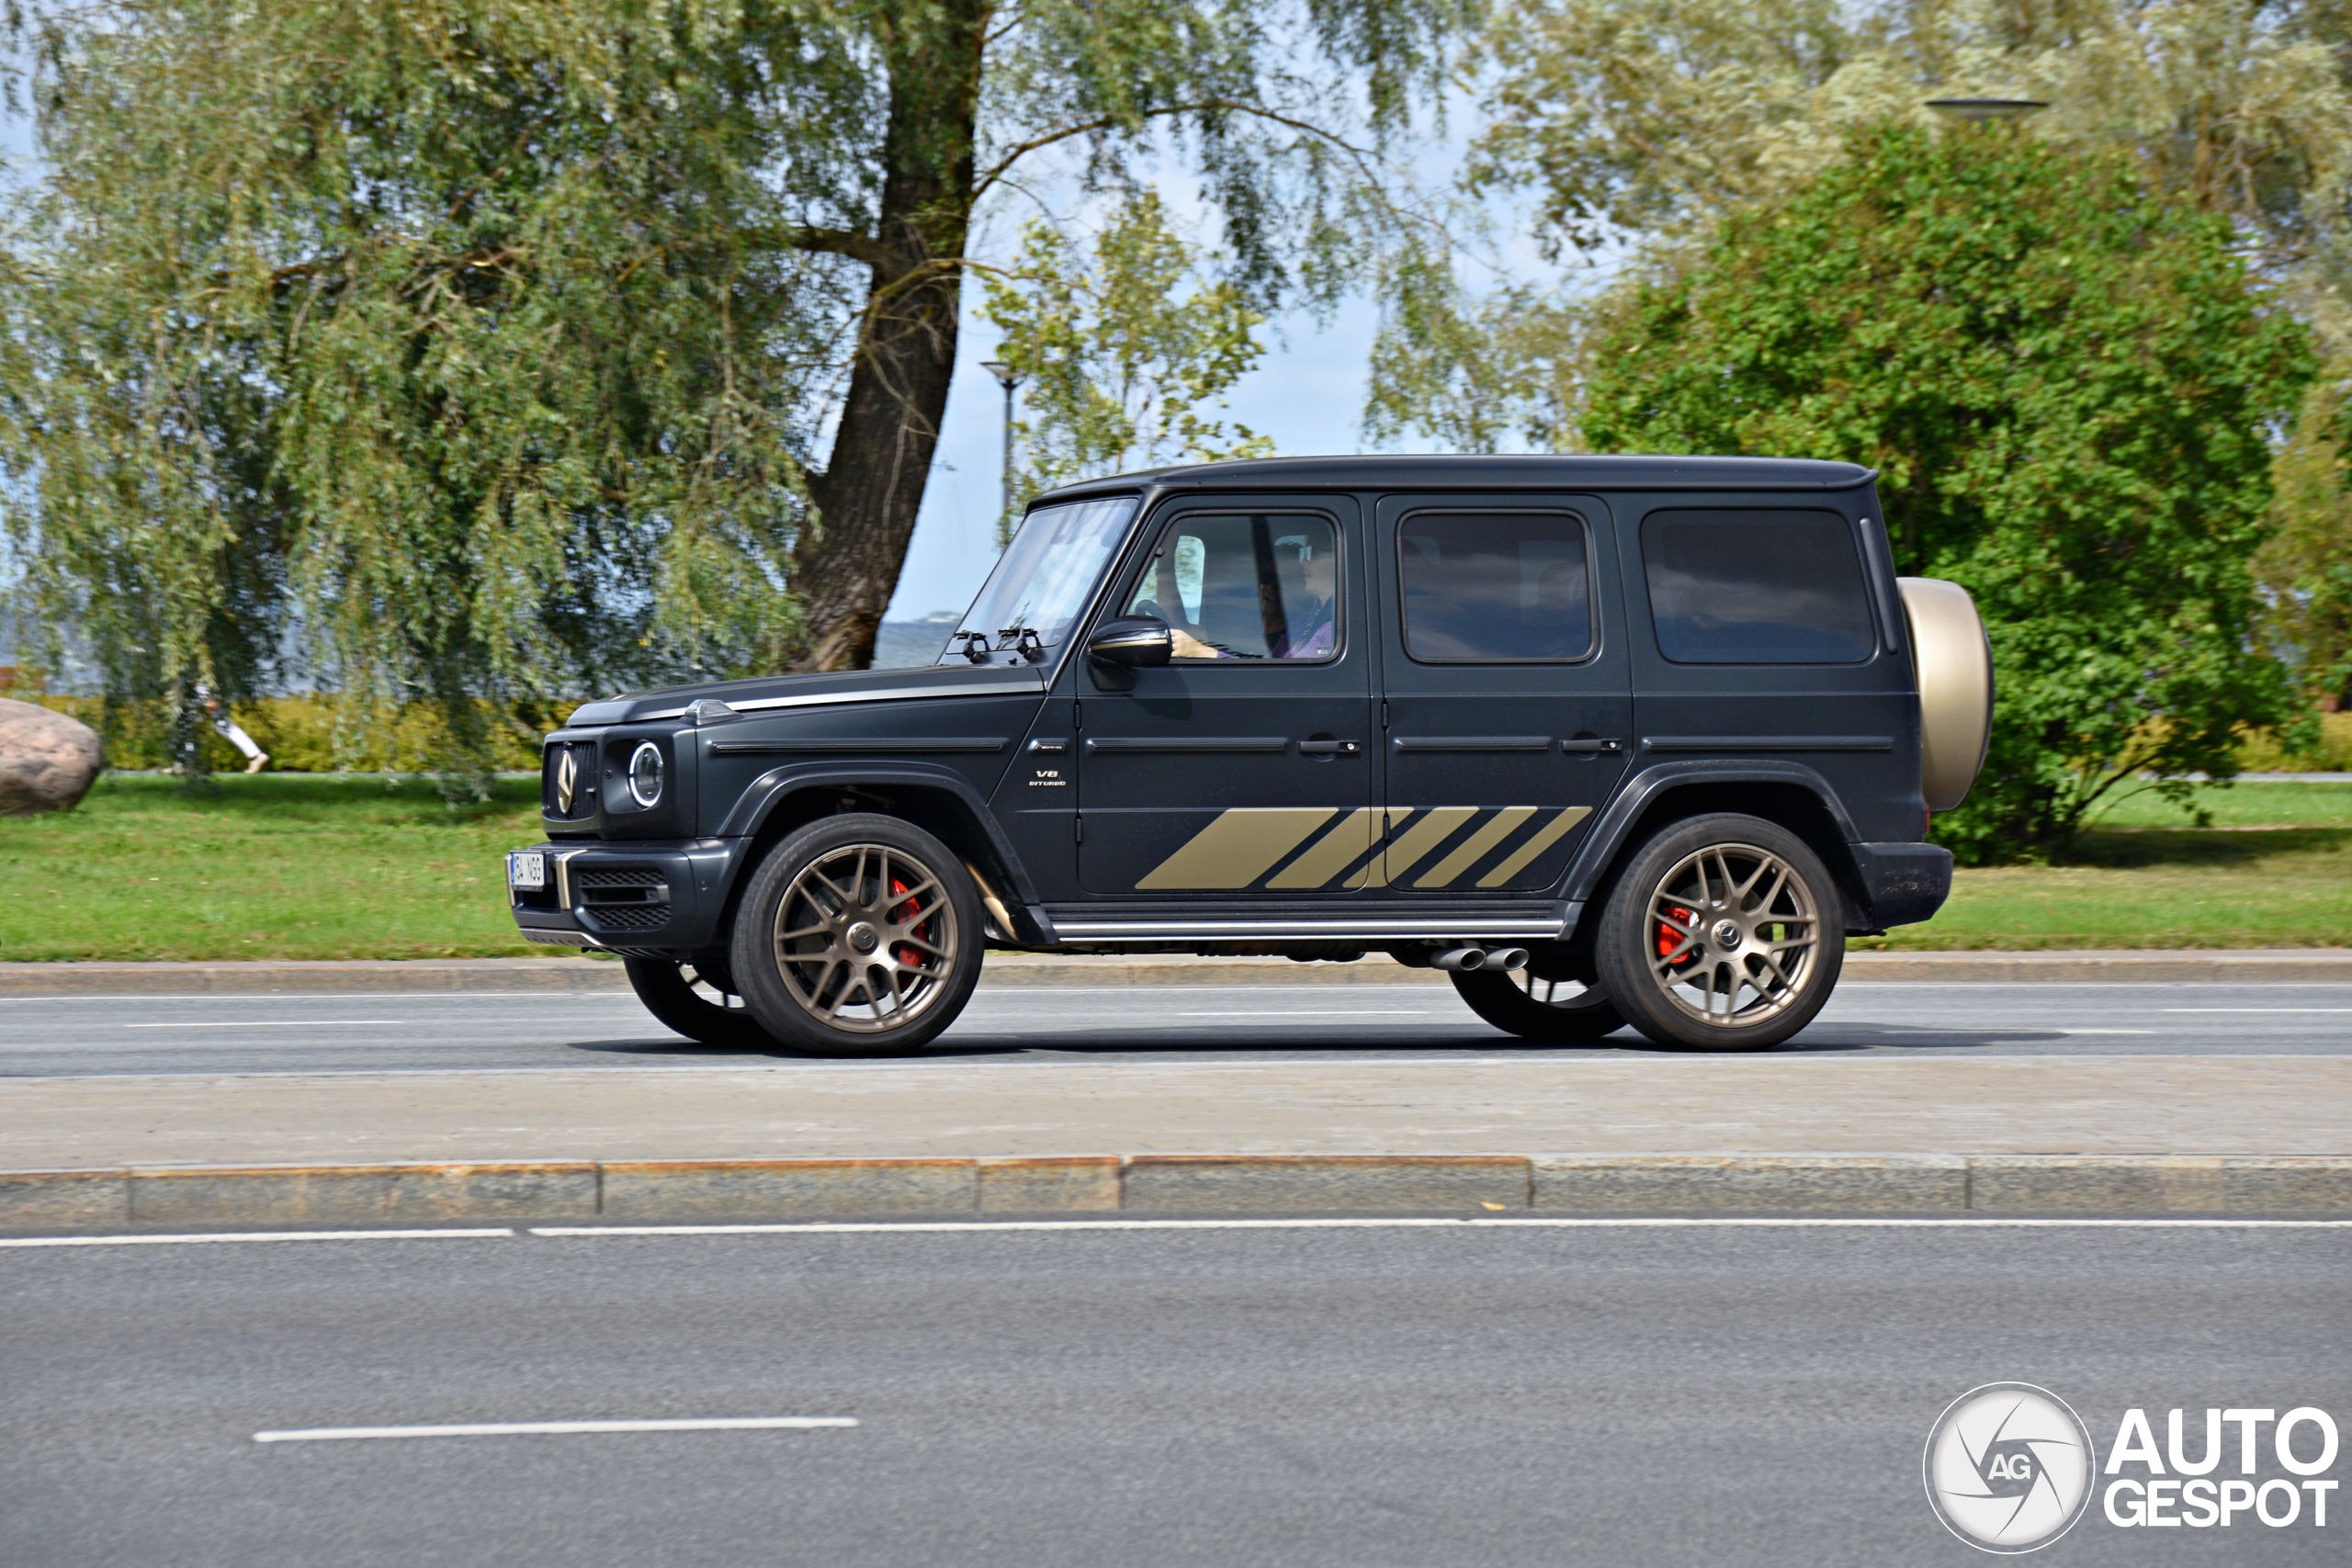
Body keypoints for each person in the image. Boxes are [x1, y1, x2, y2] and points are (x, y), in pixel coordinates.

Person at [187, 683, 270, 773]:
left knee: (222, 726)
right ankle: (184, 763)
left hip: (204, 684)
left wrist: (211, 696)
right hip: (204, 685)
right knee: (189, 724)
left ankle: (184, 763)